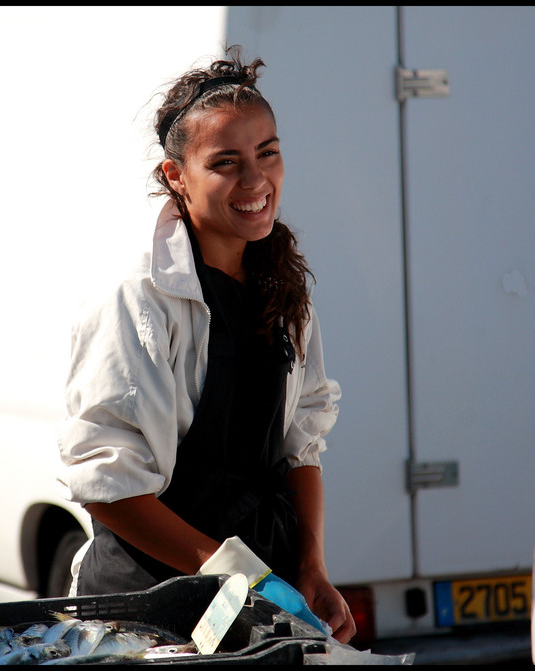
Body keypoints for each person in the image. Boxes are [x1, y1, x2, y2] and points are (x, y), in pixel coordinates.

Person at [58, 45, 355, 644]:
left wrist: (309, 566)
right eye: (225, 162)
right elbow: (108, 485)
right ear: (176, 176)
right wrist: (229, 572)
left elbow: (301, 442)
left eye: (267, 153)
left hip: (252, 600)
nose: (255, 180)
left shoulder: (283, 285)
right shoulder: (138, 294)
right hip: (143, 610)